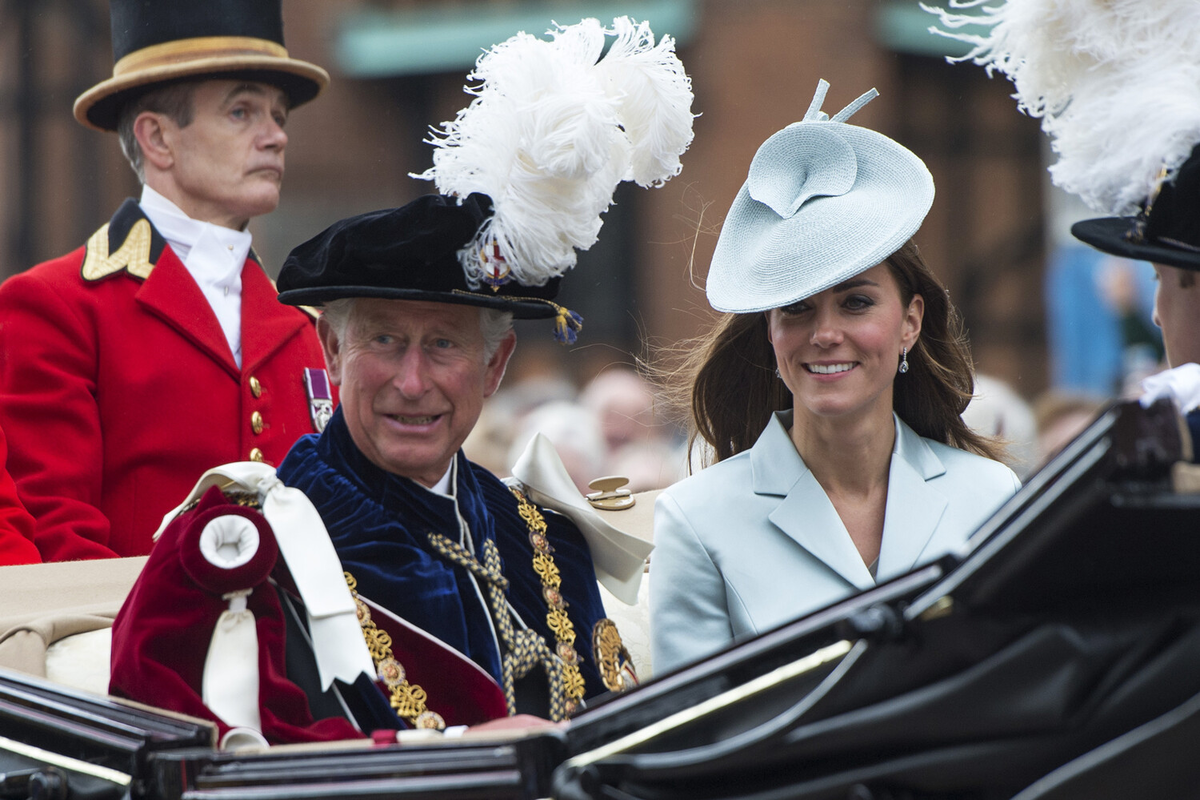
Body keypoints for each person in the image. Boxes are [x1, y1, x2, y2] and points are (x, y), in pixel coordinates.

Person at [270, 16, 691, 724]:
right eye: (383, 340)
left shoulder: (546, 540)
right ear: (332, 351)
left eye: (443, 345)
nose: (412, 381)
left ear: (495, 367)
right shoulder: (266, 541)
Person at [649, 81, 1021, 673]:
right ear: (769, 332)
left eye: (855, 303)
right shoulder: (696, 520)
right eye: (797, 307)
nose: (824, 333)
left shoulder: (991, 497)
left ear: (910, 322)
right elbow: (693, 741)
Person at [0, 0, 334, 561]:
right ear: (157, 139)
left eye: (278, 115)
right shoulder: (55, 305)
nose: (275, 135)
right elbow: (57, 532)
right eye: (241, 112)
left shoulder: (304, 324)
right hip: (130, 642)